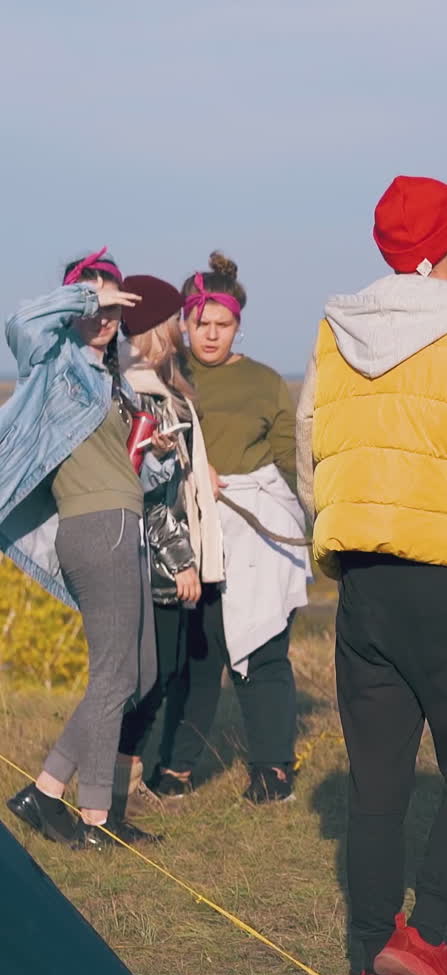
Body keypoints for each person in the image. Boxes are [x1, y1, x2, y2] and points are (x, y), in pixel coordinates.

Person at [296, 176, 447, 975]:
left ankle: (371, 971)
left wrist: (339, 554)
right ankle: (425, 939)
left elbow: (311, 449)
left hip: (363, 584)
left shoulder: (334, 329)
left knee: (377, 784)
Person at [0, 250, 158, 849]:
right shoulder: (56, 357)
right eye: (99, 298)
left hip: (121, 521)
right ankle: (93, 817)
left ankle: (49, 794)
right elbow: (20, 322)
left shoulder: (106, 380)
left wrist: (156, 456)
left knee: (134, 671)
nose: (112, 310)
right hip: (97, 528)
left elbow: (120, 471)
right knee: (115, 674)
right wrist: (91, 297)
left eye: (116, 298)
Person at [153, 251, 310, 806]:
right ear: (185, 323)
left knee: (263, 649)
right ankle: (174, 768)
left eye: (223, 325)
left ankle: (272, 769)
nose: (212, 335)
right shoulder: (166, 377)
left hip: (256, 531)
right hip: (188, 533)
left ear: (237, 324)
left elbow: (291, 456)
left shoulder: (265, 382)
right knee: (195, 655)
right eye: (202, 325)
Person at [113, 275, 224, 817]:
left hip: (165, 555)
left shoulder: (163, 388)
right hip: (154, 560)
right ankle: (113, 787)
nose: (185, 329)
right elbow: (145, 496)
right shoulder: (138, 397)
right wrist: (183, 562)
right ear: (155, 327)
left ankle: (117, 786)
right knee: (147, 681)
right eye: (176, 320)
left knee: (161, 674)